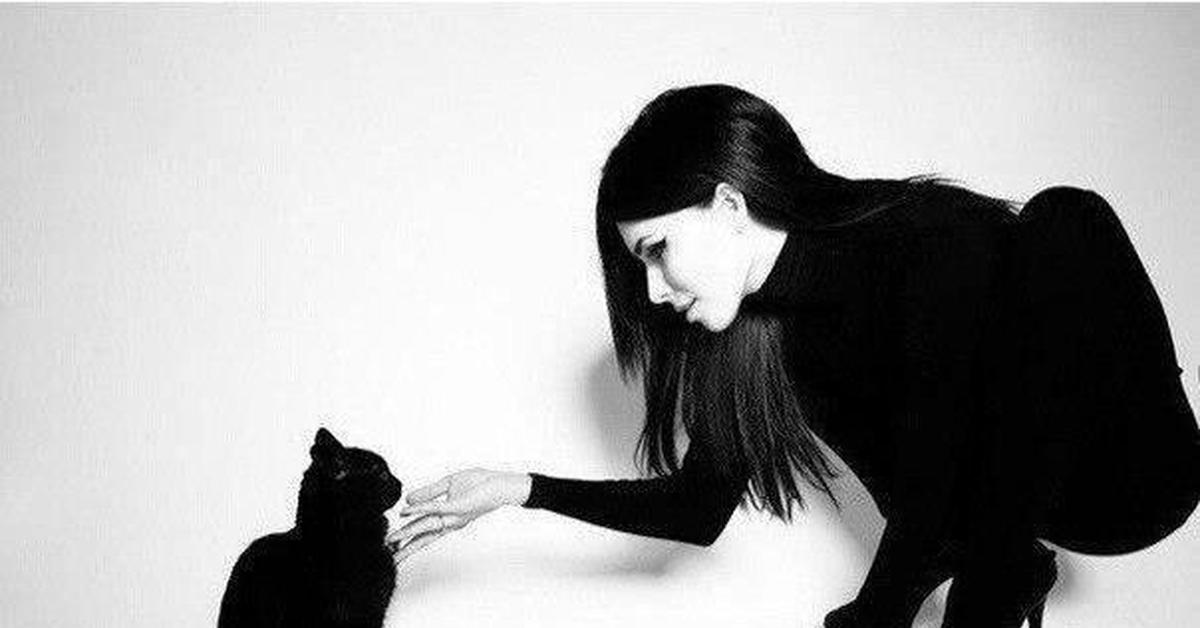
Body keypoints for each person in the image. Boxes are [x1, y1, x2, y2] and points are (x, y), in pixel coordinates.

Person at [388, 84, 1200, 628]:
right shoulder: (753, 341)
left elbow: (937, 463)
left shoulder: (920, 238)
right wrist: (518, 489)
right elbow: (697, 511)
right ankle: (992, 570)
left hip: (1137, 468)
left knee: (1063, 219)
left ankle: (987, 580)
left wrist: (879, 614)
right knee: (801, 363)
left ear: (728, 203)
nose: (655, 292)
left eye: (658, 250)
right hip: (1008, 509)